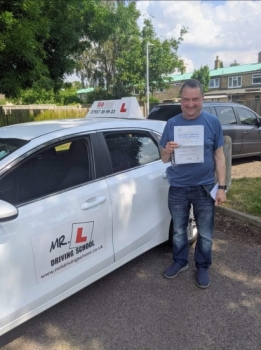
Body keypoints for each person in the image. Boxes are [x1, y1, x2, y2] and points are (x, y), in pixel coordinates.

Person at [159, 79, 226, 289]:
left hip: (205, 188)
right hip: (178, 187)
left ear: (202, 99)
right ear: (181, 100)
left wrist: (221, 188)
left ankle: (203, 266)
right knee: (179, 230)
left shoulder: (213, 123)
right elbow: (162, 158)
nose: (190, 104)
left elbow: (219, 157)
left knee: (205, 233)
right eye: (186, 99)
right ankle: (180, 262)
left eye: (195, 99)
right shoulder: (171, 124)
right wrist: (168, 150)